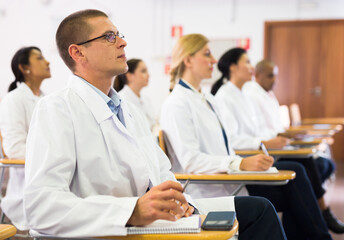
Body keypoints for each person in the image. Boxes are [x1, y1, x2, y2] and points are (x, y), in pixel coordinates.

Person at [23, 10, 286, 239]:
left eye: (119, 34)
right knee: (257, 213)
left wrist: (182, 203)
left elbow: (162, 171)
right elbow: (41, 206)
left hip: (155, 221)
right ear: (78, 52)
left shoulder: (126, 108)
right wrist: (132, 211)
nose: (123, 42)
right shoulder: (57, 109)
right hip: (114, 228)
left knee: (259, 210)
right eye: (109, 37)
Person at [160, 33, 333, 240]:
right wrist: (239, 164)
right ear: (188, 60)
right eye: (207, 54)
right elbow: (191, 161)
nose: (214, 60)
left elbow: (227, 146)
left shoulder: (208, 99)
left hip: (229, 181)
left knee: (294, 179)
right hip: (208, 189)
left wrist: (247, 163)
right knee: (274, 200)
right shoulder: (177, 104)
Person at [213, 48, 343, 234]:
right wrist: (263, 143)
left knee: (303, 173)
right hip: (246, 163)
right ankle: (321, 225)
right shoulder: (225, 97)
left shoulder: (242, 95)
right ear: (232, 67)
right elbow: (232, 140)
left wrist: (276, 138)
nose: (251, 67)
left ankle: (316, 229)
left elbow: (259, 130)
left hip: (259, 155)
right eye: (247, 62)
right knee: (300, 174)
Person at [0, 46, 50, 230]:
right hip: (27, 190)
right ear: (24, 68)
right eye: (39, 58)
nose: (47, 61)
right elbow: (14, 150)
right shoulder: (14, 100)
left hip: (54, 181)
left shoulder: (47, 100)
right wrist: (52, 157)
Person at [114, 58, 158, 132]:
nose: (148, 75)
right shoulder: (121, 100)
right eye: (143, 71)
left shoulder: (146, 99)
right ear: (129, 76)